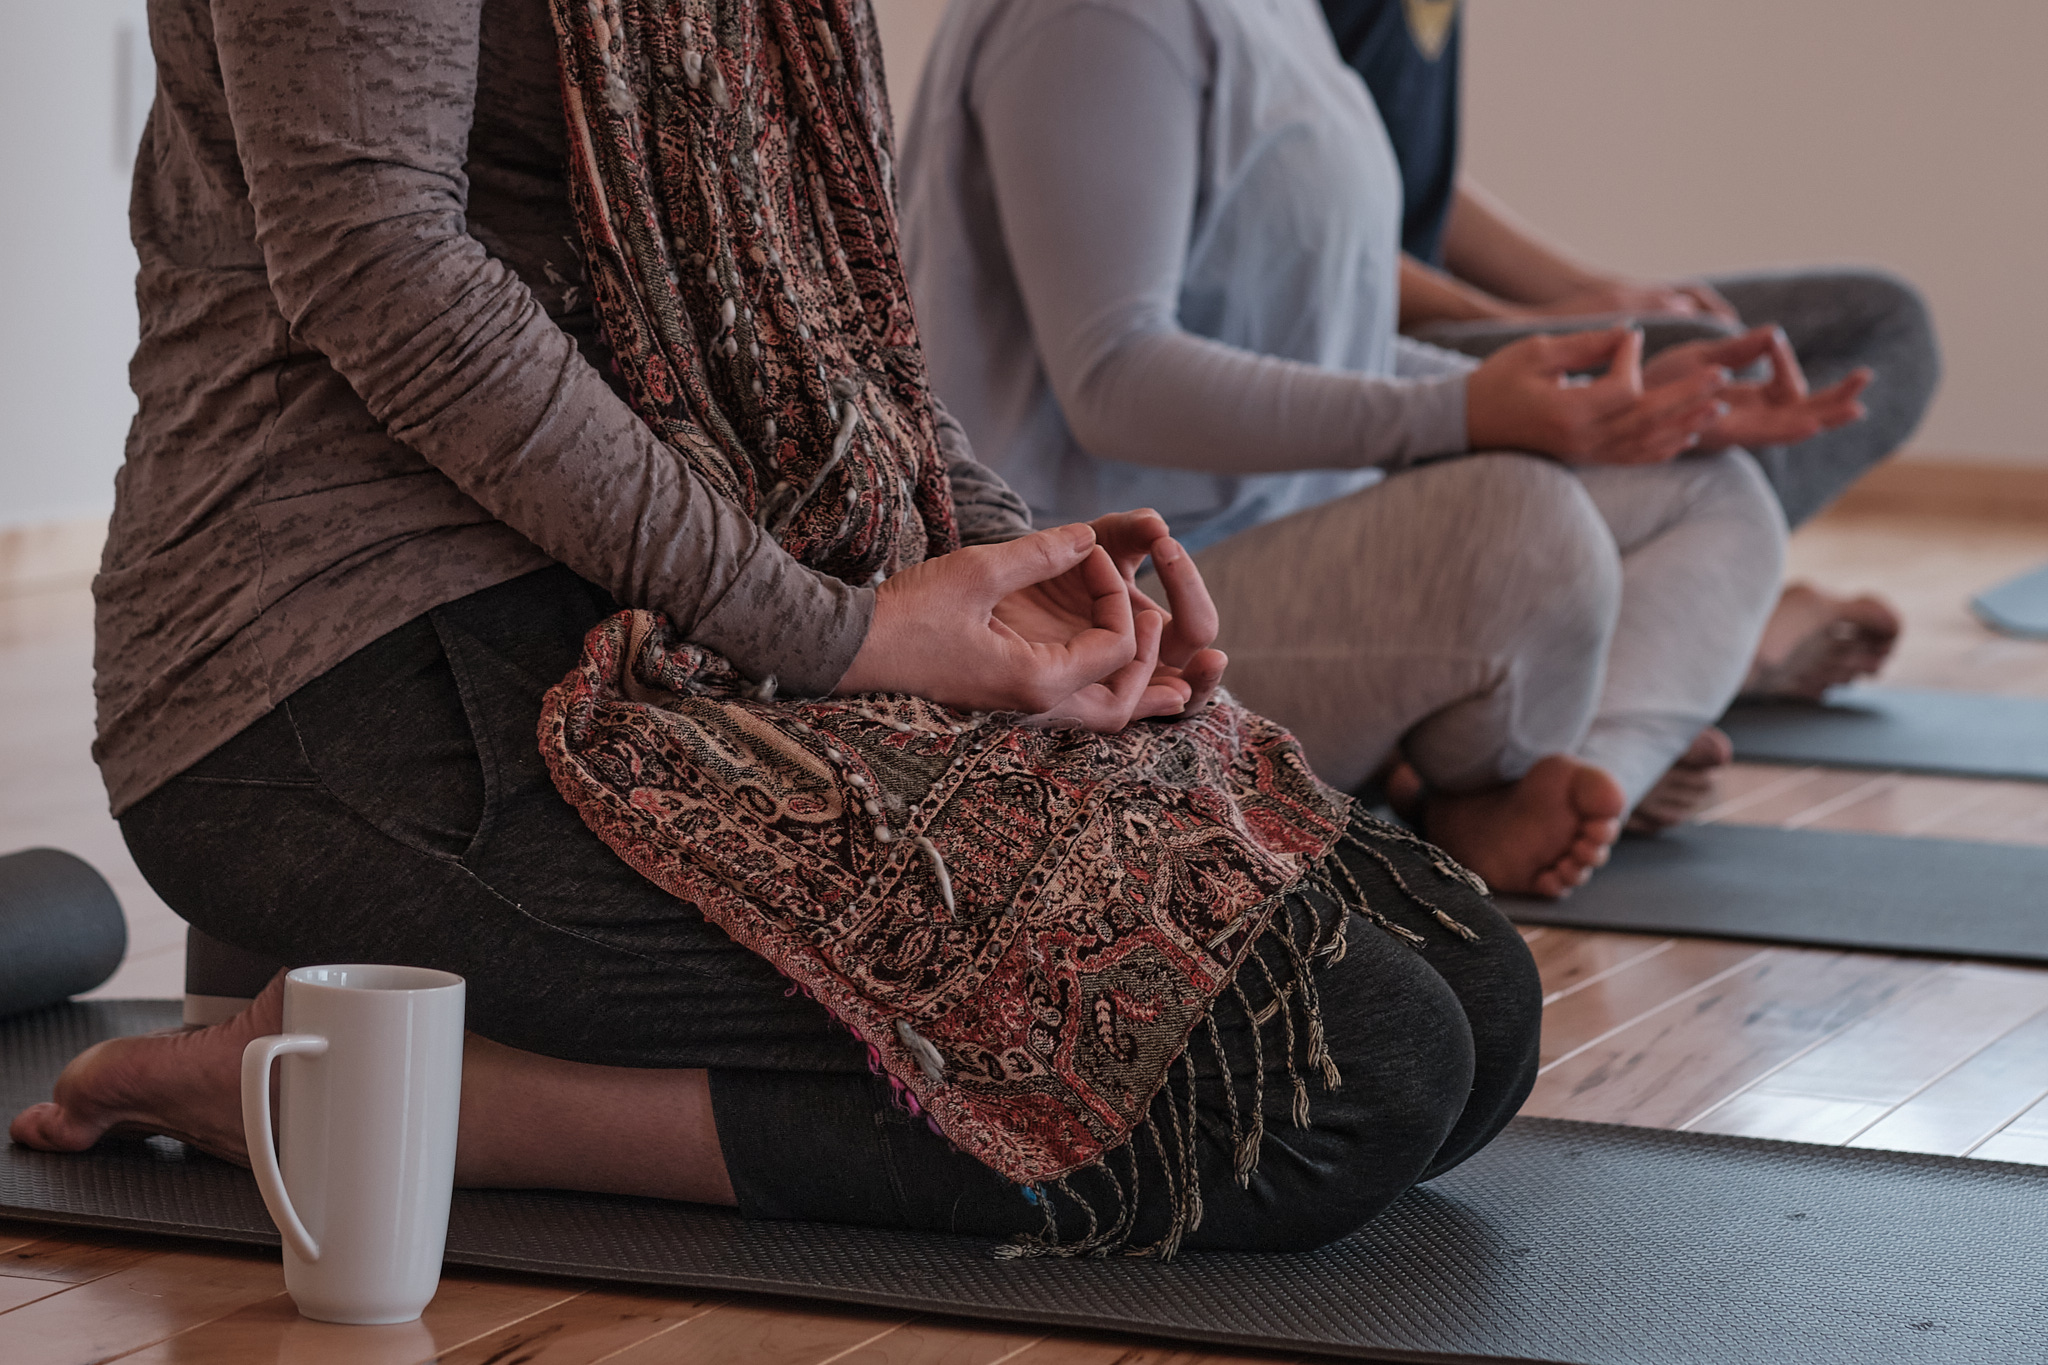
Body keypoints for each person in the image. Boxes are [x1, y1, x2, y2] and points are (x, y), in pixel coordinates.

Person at [12, 0, 1539, 1258]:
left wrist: (1006, 552)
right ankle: (393, 1106)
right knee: (1337, 1080)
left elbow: (819, 311)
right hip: (347, 662)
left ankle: (402, 1035)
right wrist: (842, 636)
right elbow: (378, 260)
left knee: (1468, 996)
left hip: (677, 611)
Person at [898, 0, 1871, 883]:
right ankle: (1478, 779)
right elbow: (1112, 377)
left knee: (1711, 488)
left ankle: (1554, 787)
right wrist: (1462, 415)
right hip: (1108, 611)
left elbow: (1321, 342)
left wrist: (1605, 413)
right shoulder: (1098, 18)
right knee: (1521, 526)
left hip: (1274, 539)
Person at [1320, 0, 1941, 708]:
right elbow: (1304, 234)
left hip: (1436, 318)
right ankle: (1688, 642)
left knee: (1884, 325)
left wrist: (1587, 289)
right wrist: (1519, 322)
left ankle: (1688, 620)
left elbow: (1400, 173)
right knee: (1705, 360)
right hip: (1360, 350)